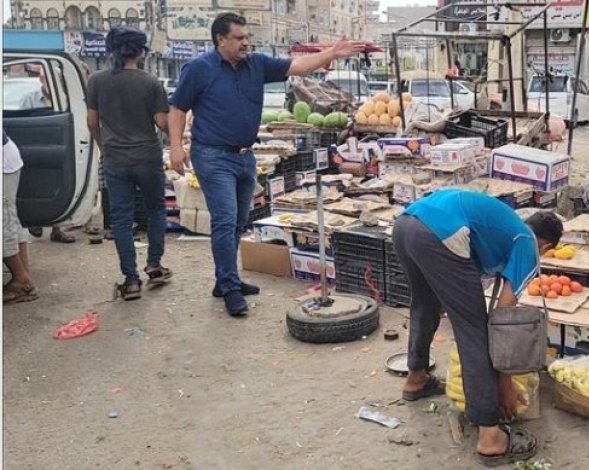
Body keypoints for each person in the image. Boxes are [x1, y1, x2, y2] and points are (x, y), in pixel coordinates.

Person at [167, 12, 365, 316]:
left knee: (238, 221)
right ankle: (231, 287)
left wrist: (331, 53)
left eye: (247, 37)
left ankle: (225, 280)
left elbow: (298, 66)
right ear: (221, 40)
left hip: (245, 155)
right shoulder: (199, 69)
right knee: (224, 219)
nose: (246, 42)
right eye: (239, 38)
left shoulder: (257, 64)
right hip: (212, 154)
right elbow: (178, 109)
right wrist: (177, 147)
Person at [391, 189, 563, 467]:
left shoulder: (507, 228)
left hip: (406, 224)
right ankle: (490, 436)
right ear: (546, 246)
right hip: (439, 230)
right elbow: (503, 318)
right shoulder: (527, 242)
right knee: (473, 329)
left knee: (424, 305)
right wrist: (504, 383)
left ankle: (416, 378)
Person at [86, 26, 173, 301]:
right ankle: (155, 265)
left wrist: (104, 146)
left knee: (122, 220)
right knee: (156, 210)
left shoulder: (97, 81)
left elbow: (91, 122)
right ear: (141, 50)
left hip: (115, 159)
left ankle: (131, 280)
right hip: (148, 157)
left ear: (112, 50)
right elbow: (161, 123)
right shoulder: (151, 82)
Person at [19, 64, 77, 243]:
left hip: (58, 147)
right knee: (35, 184)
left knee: (58, 185)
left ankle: (57, 228)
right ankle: (36, 219)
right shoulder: (29, 99)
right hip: (36, 147)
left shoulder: (65, 100)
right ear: (41, 80)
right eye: (45, 78)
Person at [3, 130, 38, 304]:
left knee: (5, 225)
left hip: (3, 163)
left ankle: (21, 280)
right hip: (8, 159)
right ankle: (25, 278)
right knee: (11, 222)